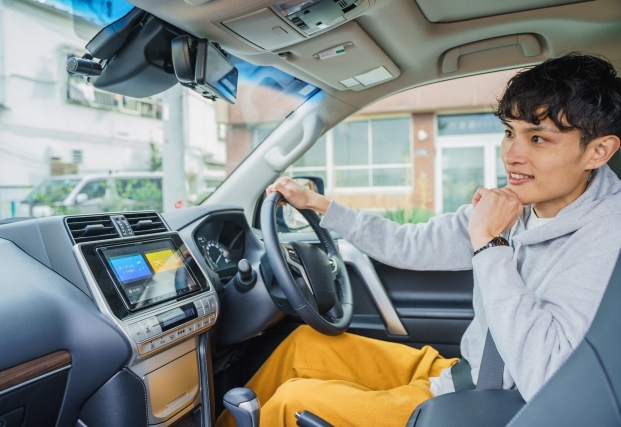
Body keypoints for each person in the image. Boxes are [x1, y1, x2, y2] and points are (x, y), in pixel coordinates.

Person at [216, 53, 621, 427]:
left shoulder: (607, 241)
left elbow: (550, 376)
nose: (511, 155)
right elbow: (408, 243)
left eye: (537, 139)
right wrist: (321, 206)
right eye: (509, 132)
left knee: (294, 401)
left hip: (495, 403)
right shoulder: (519, 204)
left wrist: (488, 242)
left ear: (598, 152)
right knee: (301, 343)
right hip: (464, 374)